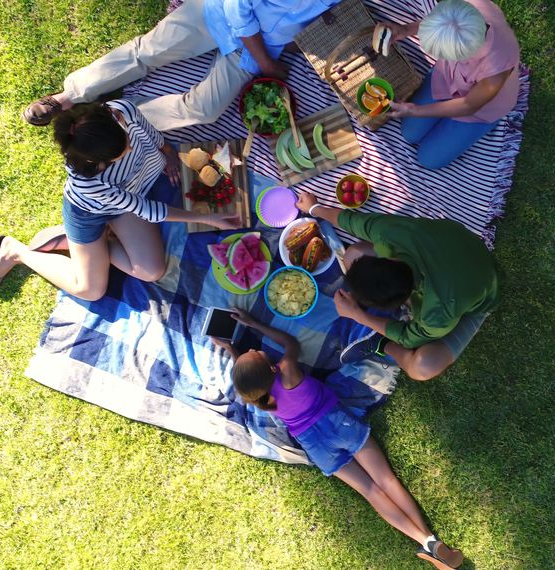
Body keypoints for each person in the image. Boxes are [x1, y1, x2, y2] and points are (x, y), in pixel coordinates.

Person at [213, 308, 464, 569]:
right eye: (254, 353)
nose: (252, 350)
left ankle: (425, 542)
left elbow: (249, 384)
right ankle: (430, 541)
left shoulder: (260, 399)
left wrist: (232, 350)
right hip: (337, 425)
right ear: (272, 367)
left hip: (316, 446)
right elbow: (290, 343)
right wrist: (254, 322)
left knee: (370, 491)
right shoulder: (287, 371)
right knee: (385, 479)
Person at [0, 100, 236, 300]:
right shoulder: (89, 182)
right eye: (121, 152)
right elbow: (146, 210)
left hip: (127, 200)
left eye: (125, 139)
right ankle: (17, 252)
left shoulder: (121, 110)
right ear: (96, 162)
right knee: (91, 290)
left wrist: (166, 151)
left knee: (151, 270)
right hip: (90, 215)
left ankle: (89, 244)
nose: (132, 148)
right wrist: (206, 218)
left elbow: (150, 134)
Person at [22, 0, 339, 131]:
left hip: (258, 48)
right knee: (147, 52)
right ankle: (69, 96)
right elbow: (237, 10)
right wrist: (266, 63)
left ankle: (115, 116)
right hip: (219, 17)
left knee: (206, 109)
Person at [294, 192, 498, 382]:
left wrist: (358, 315)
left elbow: (409, 338)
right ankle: (378, 322)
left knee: (422, 367)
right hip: (459, 253)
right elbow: (351, 221)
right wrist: (314, 209)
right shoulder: (390, 232)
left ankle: (382, 344)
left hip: (480, 296)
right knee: (352, 256)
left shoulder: (435, 314)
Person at [381, 0, 520, 169]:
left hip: (479, 108)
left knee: (428, 159)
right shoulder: (465, 7)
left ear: (464, 54)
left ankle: (483, 125)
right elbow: (439, 22)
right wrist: (405, 30)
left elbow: (469, 105)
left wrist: (415, 110)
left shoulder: (498, 64)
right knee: (409, 133)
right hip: (448, 78)